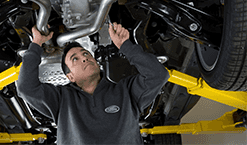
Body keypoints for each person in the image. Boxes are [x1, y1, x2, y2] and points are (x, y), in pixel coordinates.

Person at [16, 22, 170, 145]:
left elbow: (158, 75)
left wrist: (126, 46)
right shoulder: (62, 99)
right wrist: (36, 45)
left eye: (86, 54)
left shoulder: (125, 91)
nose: (84, 58)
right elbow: (26, 88)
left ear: (97, 64)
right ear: (70, 76)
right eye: (75, 59)